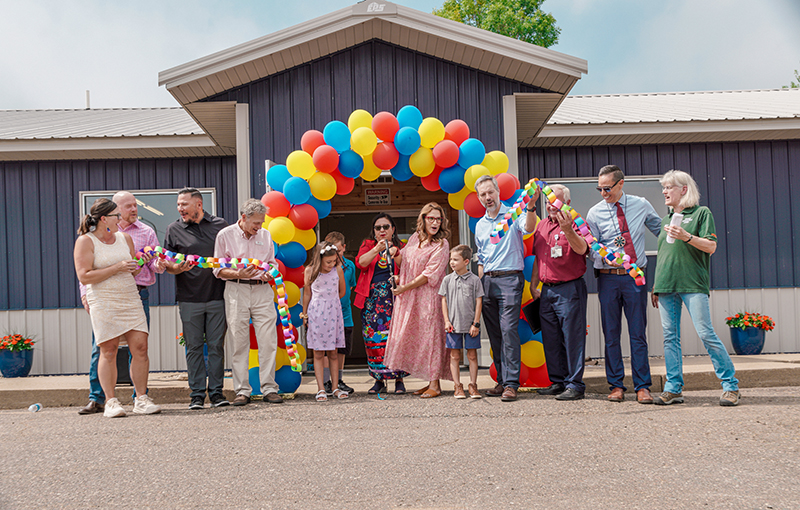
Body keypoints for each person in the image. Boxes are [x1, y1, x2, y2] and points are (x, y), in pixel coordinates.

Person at [651, 170, 740, 406]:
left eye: (669, 187)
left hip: (692, 284)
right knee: (670, 338)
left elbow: (711, 246)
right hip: (666, 284)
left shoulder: (702, 213)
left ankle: (731, 386)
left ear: (684, 189)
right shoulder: (666, 219)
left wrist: (687, 237)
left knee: (705, 333)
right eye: (663, 187)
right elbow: (664, 255)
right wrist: (656, 285)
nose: (664, 191)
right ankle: (674, 388)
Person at [77, 191, 163, 415]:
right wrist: (117, 268)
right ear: (104, 219)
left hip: (130, 297)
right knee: (108, 350)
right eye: (117, 215)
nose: (120, 219)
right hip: (104, 300)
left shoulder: (125, 239)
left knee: (141, 348)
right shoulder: (86, 241)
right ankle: (110, 401)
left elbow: (131, 269)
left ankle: (141, 399)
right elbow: (84, 276)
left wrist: (138, 264)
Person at [586, 165, 661, 404]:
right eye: (599, 189)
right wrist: (603, 257)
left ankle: (642, 386)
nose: (603, 194)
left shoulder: (641, 204)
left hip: (635, 277)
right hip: (608, 277)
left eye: (607, 188)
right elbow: (590, 249)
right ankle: (616, 385)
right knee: (611, 334)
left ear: (621, 184)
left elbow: (661, 231)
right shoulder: (594, 213)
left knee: (638, 333)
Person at [162, 187, 229, 410]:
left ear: (199, 204)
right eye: (178, 205)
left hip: (217, 296)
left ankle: (217, 393)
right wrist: (176, 268)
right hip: (189, 298)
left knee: (217, 346)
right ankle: (197, 394)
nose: (180, 209)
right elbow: (167, 264)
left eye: (184, 204)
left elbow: (230, 257)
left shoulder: (220, 226)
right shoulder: (173, 229)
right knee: (193, 347)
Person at [474, 175, 539, 401]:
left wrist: (530, 207)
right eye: (482, 194)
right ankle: (502, 380)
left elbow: (529, 227)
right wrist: (482, 283)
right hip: (488, 282)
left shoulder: (514, 214)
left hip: (510, 279)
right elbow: (481, 257)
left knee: (509, 330)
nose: (487, 197)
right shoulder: (480, 225)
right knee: (495, 334)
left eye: (490, 192)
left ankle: (512, 384)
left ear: (498, 192)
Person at [213, 198, 283, 406]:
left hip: (262, 291)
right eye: (256, 223)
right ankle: (242, 391)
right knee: (239, 341)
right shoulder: (225, 235)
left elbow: (272, 262)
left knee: (268, 340)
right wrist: (238, 273)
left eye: (261, 223)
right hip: (236, 289)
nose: (259, 227)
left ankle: (269, 388)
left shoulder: (266, 235)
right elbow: (217, 269)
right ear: (243, 218)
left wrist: (269, 273)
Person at [530, 184, 589, 401]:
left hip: (570, 288)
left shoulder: (577, 223)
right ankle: (558, 381)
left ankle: (575, 384)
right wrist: (533, 284)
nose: (551, 205)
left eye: (556, 201)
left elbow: (582, 249)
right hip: (547, 290)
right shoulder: (542, 225)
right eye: (548, 201)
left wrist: (567, 230)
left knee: (572, 338)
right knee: (551, 338)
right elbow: (540, 257)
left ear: (567, 203)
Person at [386, 202, 451, 398]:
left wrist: (404, 286)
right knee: (419, 338)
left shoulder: (442, 244)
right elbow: (404, 262)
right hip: (411, 296)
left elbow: (429, 274)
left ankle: (435, 385)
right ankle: (430, 381)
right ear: (423, 219)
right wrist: (395, 253)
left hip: (429, 297)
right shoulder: (415, 238)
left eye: (438, 219)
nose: (435, 223)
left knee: (431, 338)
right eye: (431, 218)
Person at [354, 213, 407, 394]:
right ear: (374, 231)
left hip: (396, 298)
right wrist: (377, 249)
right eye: (378, 228)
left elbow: (408, 267)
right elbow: (361, 263)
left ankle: (399, 380)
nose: (382, 230)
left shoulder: (402, 246)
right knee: (374, 339)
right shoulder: (367, 246)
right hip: (373, 300)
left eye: (386, 227)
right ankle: (379, 379)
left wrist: (396, 252)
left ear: (393, 229)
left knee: (397, 338)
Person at [301, 242, 348, 402]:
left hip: (333, 313)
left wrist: (331, 302)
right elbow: (307, 293)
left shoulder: (338, 270)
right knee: (318, 352)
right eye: (328, 262)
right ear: (319, 259)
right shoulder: (309, 271)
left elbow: (342, 291)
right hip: (317, 314)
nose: (332, 264)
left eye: (334, 261)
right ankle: (321, 388)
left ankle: (335, 387)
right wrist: (305, 313)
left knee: (334, 352)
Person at [439, 244, 484, 399]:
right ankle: (457, 386)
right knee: (454, 356)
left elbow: (479, 302)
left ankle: (473, 385)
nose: (452, 262)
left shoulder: (475, 280)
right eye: (451, 259)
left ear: (466, 262)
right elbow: (443, 301)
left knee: (472, 355)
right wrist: (446, 321)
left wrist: (476, 323)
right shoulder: (447, 280)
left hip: (471, 325)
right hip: (453, 325)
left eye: (455, 260)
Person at [322, 231, 357, 395]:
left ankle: (339, 380)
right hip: (326, 314)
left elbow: (349, 287)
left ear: (344, 247)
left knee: (341, 348)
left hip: (345, 314)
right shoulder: (323, 266)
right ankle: (326, 381)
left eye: (339, 250)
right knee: (326, 348)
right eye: (332, 251)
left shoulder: (350, 266)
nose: (336, 254)